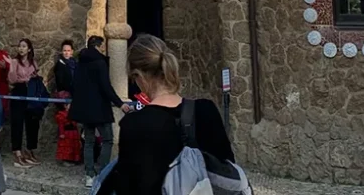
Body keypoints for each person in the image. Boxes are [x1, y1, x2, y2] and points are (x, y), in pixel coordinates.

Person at [104, 34, 233, 195]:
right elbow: (228, 174)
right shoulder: (206, 110)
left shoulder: (134, 125)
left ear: (138, 76)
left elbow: (129, 188)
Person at [70, 35, 129, 186]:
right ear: (97, 46)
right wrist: (119, 103)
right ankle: (104, 172)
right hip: (100, 108)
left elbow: (75, 85)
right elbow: (106, 87)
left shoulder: (80, 63)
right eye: (102, 46)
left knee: (89, 142)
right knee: (108, 139)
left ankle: (89, 175)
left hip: (85, 108)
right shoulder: (99, 62)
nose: (104, 49)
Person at [8, 37, 40, 167]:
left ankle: (29, 150)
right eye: (20, 46)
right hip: (18, 91)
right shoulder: (15, 62)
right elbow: (12, 79)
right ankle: (17, 153)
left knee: (32, 122)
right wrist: (11, 67)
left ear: (29, 49)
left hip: (31, 92)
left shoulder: (33, 63)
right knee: (17, 123)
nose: (21, 49)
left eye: (24, 46)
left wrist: (32, 79)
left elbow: (36, 76)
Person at [53, 40, 81, 164]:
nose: (66, 52)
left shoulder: (75, 64)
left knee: (74, 129)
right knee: (65, 128)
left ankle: (74, 156)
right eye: (64, 50)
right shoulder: (60, 65)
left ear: (72, 52)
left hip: (75, 98)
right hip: (65, 99)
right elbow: (61, 82)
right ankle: (65, 157)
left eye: (68, 50)